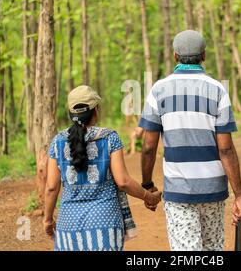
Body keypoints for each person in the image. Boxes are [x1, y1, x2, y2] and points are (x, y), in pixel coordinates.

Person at [139, 30, 241, 251]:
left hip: (179, 191)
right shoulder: (218, 89)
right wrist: (239, 195)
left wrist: (148, 185)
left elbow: (149, 147)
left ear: (175, 56)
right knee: (212, 249)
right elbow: (226, 149)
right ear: (204, 55)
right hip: (213, 189)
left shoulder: (158, 90)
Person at [43, 85, 161, 251]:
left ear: (71, 114)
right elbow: (123, 181)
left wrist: (47, 220)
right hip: (105, 222)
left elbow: (51, 187)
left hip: (68, 225)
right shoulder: (109, 138)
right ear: (96, 110)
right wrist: (148, 197)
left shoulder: (57, 142)